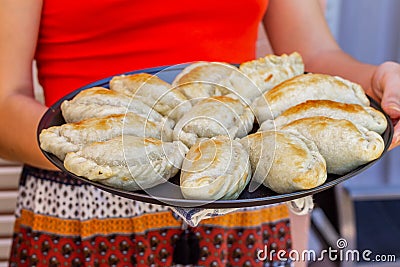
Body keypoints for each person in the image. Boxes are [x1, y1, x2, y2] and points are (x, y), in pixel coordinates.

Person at [0, 0, 399, 266]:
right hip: (80, 210)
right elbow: (4, 102)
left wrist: (375, 83)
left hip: (243, 195)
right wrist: (108, 153)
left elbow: (313, 56)